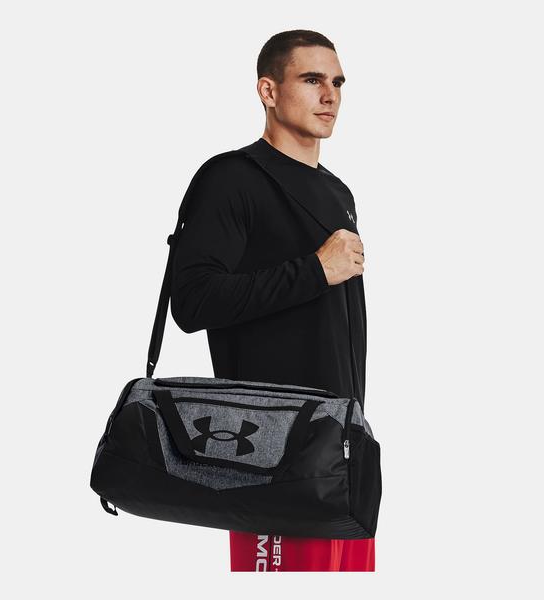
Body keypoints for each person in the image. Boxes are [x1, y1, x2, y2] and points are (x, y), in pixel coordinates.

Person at [170, 29, 373, 572]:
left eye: (337, 83)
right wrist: (315, 270)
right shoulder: (231, 178)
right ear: (268, 91)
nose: (329, 95)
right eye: (311, 80)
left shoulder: (338, 192)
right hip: (270, 451)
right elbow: (191, 301)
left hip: (341, 447)